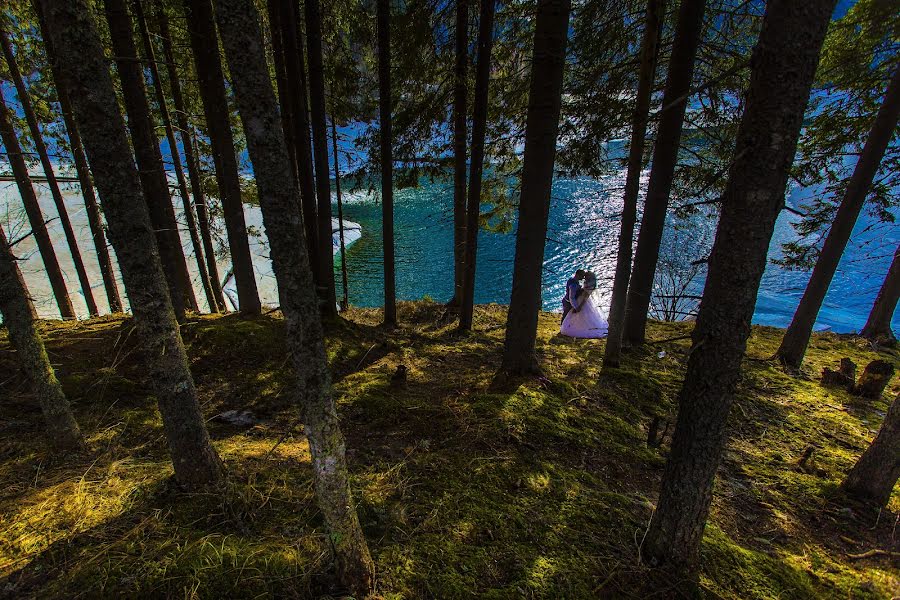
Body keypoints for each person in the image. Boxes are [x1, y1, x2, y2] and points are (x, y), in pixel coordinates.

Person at [561, 269, 608, 339]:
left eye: (584, 276)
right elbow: (571, 298)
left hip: (579, 301)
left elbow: (584, 295)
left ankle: (572, 327)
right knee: (568, 314)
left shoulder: (572, 281)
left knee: (579, 315)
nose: (583, 278)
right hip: (569, 302)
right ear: (578, 275)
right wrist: (577, 307)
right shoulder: (574, 284)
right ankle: (565, 327)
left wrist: (578, 306)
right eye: (582, 276)